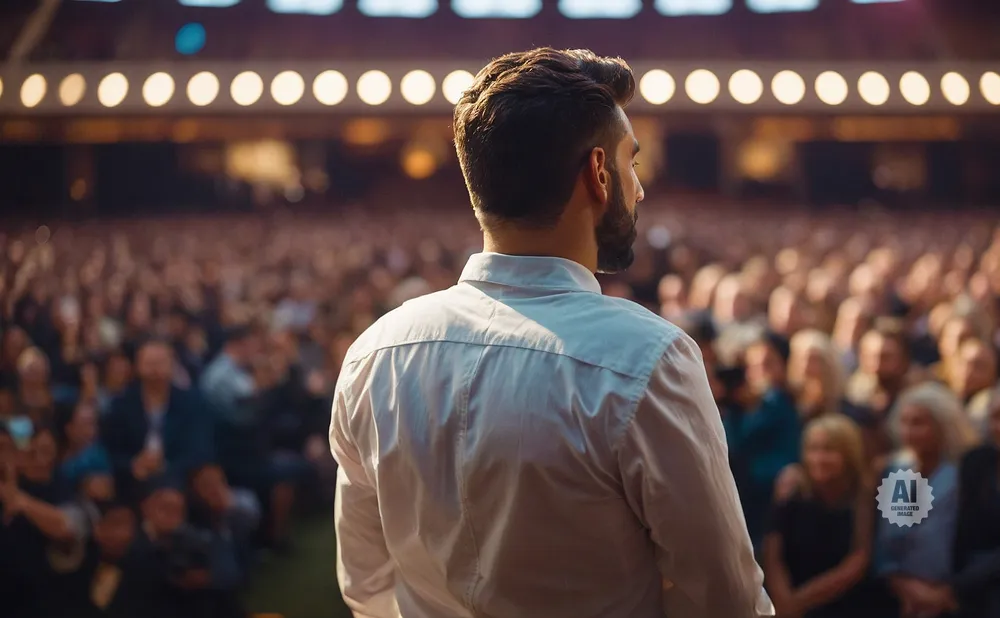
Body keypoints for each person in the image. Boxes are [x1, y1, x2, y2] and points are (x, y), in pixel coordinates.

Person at [330, 47, 770, 618]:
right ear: (596, 173)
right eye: (631, 163)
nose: (639, 189)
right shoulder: (646, 357)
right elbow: (725, 599)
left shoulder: (376, 352)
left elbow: (365, 585)